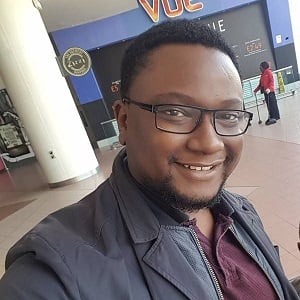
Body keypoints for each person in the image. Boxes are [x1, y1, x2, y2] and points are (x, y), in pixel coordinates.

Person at [0, 19, 299, 299]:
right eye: (175, 112)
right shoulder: (56, 270)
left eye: (229, 115)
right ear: (125, 121)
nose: (209, 143)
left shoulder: (240, 213)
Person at [254, 61, 280, 125]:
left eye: (260, 67)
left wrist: (269, 88)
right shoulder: (262, 74)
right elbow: (260, 84)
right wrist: (255, 90)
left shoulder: (268, 72)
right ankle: (271, 116)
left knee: (272, 104)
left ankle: (275, 117)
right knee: (269, 105)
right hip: (265, 92)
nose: (260, 68)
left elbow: (271, 81)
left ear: (263, 67)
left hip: (270, 91)